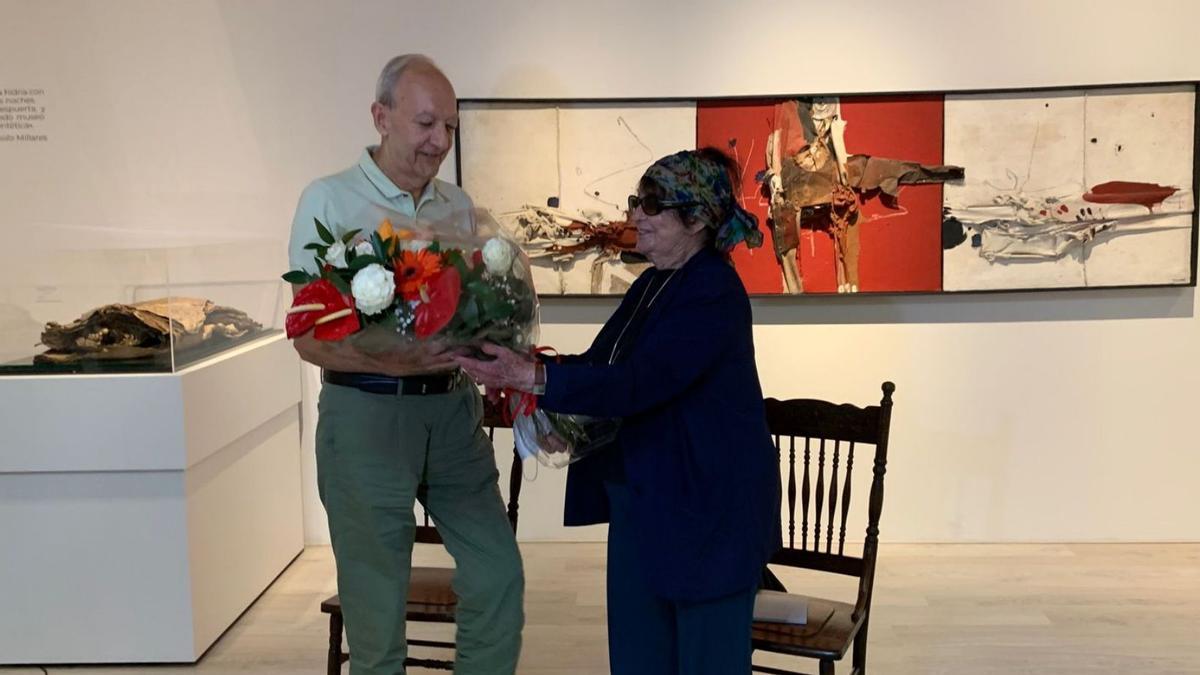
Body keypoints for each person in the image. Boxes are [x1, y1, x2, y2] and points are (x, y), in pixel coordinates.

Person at [456, 148, 782, 675]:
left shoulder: (713, 290)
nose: (636, 216)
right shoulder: (655, 283)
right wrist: (531, 382)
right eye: (637, 201)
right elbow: (601, 364)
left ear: (697, 220)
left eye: (653, 205)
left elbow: (638, 384)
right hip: (647, 500)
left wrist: (532, 378)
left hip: (708, 513)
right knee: (638, 659)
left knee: (707, 662)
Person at [287, 54, 523, 675]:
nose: (439, 141)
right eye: (425, 124)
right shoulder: (328, 200)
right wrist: (397, 360)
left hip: (452, 415)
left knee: (499, 573)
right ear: (380, 116)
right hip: (365, 417)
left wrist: (498, 354)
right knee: (375, 612)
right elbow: (307, 337)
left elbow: (475, 315)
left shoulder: (459, 206)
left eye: (448, 126)